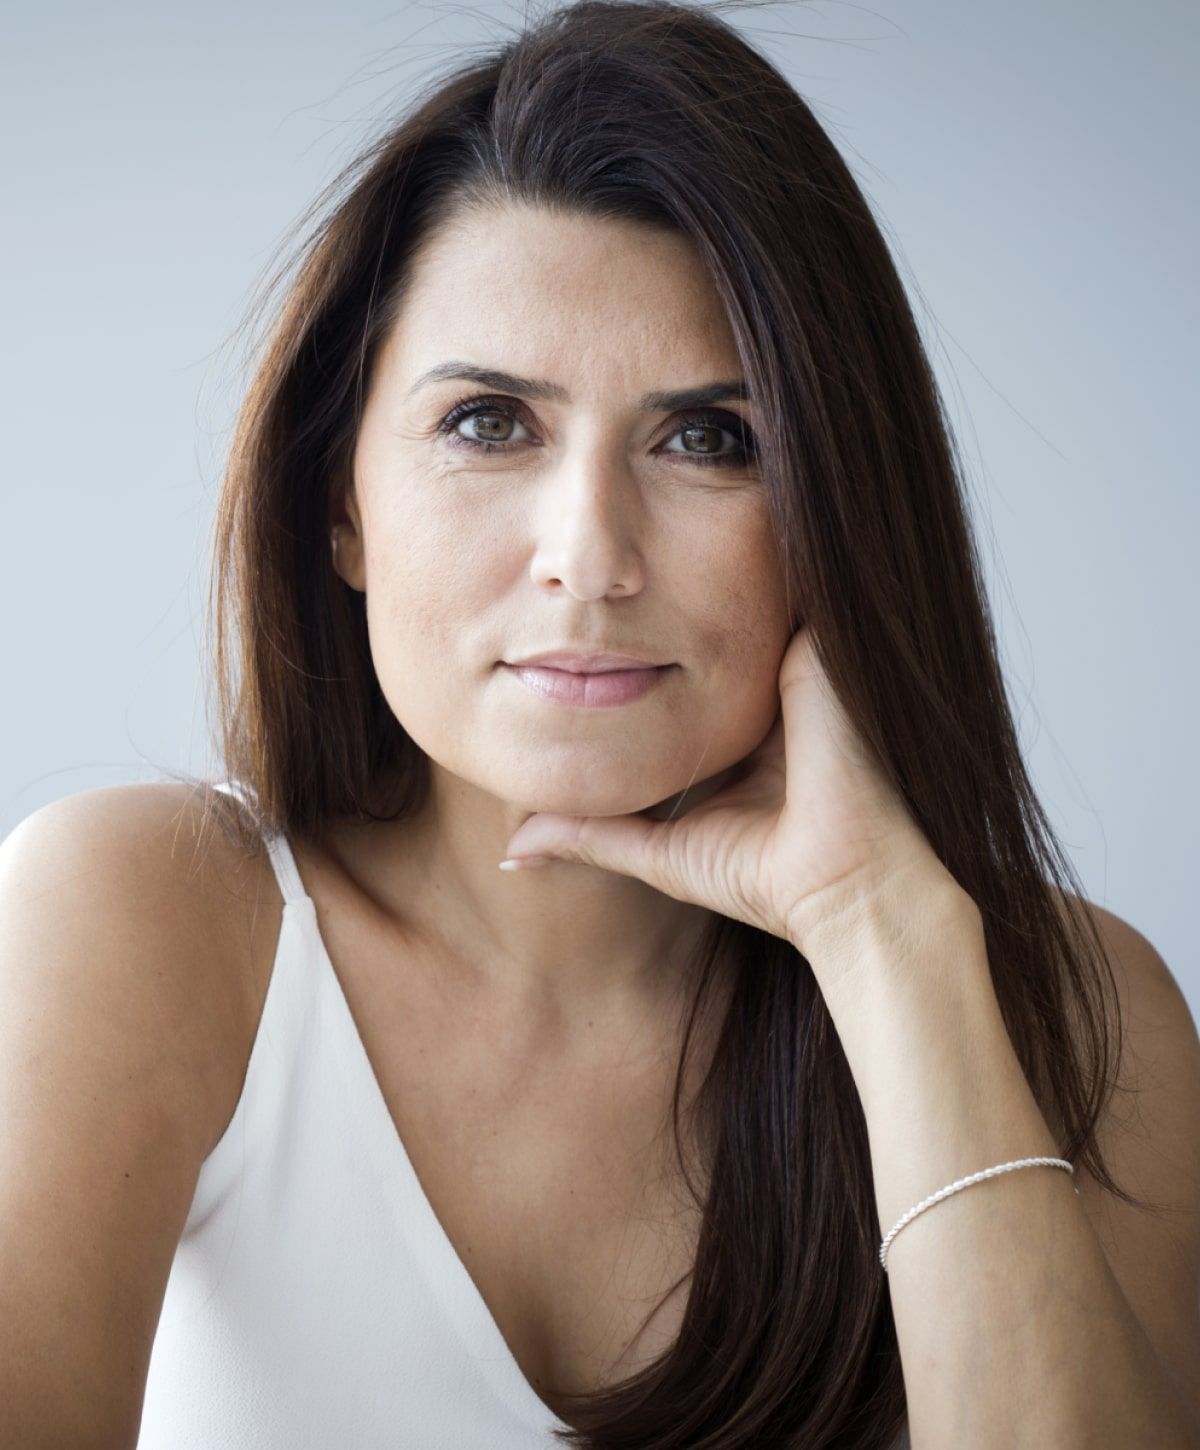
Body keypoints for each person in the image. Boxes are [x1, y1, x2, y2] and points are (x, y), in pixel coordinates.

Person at [4, 3, 1198, 1448]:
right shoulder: (150, 917)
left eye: (709, 439)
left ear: (837, 513)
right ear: (341, 506)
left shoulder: (1079, 1013)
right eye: (490, 422)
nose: (590, 554)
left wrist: (888, 939)